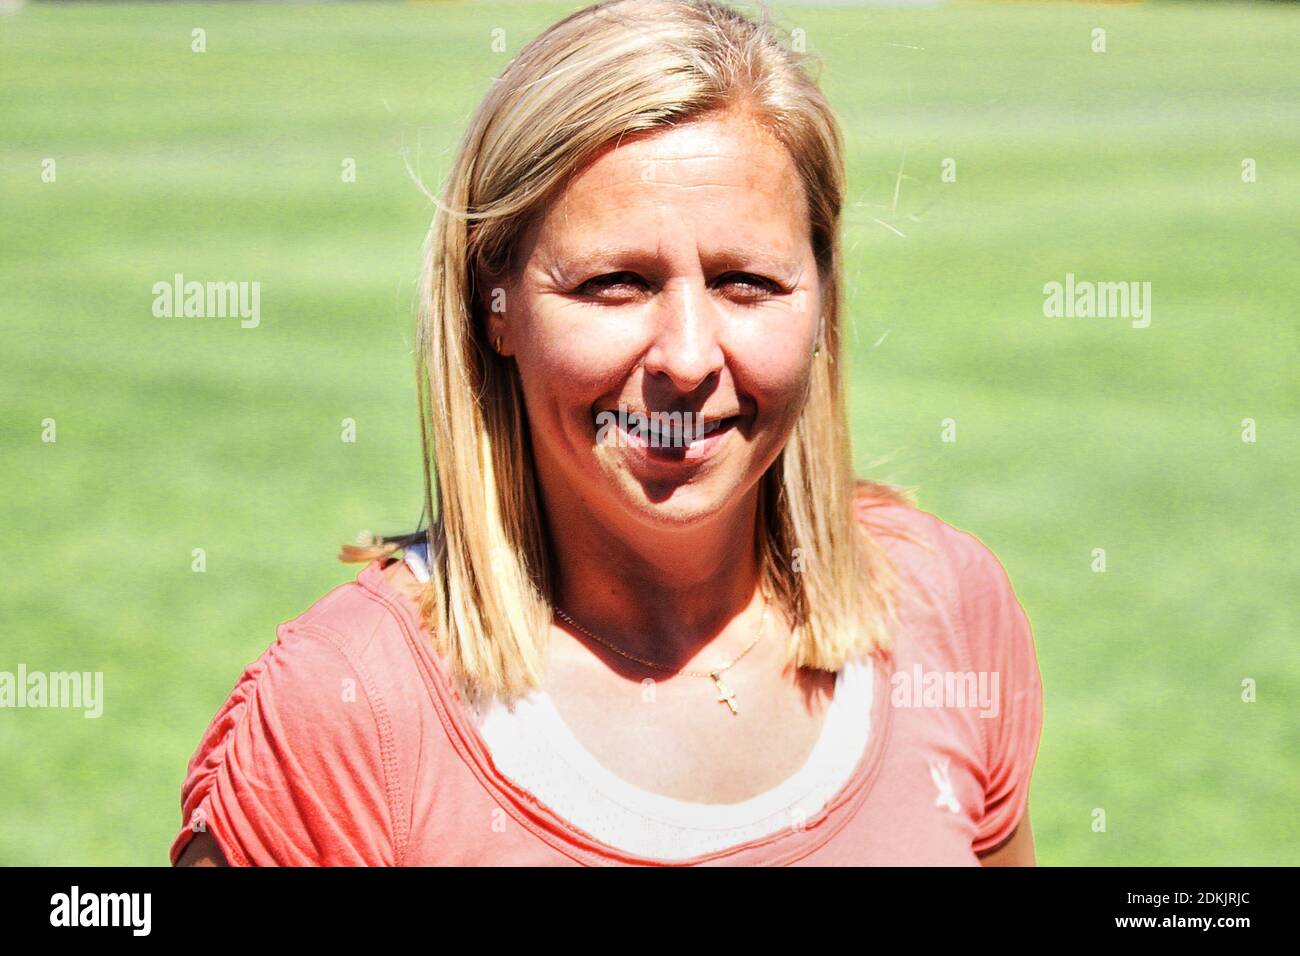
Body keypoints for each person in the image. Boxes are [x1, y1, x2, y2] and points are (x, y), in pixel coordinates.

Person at [172, 0, 1043, 867]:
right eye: (615, 283)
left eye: (747, 282)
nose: (691, 358)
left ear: (821, 297)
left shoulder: (943, 605)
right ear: (493, 306)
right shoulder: (345, 711)